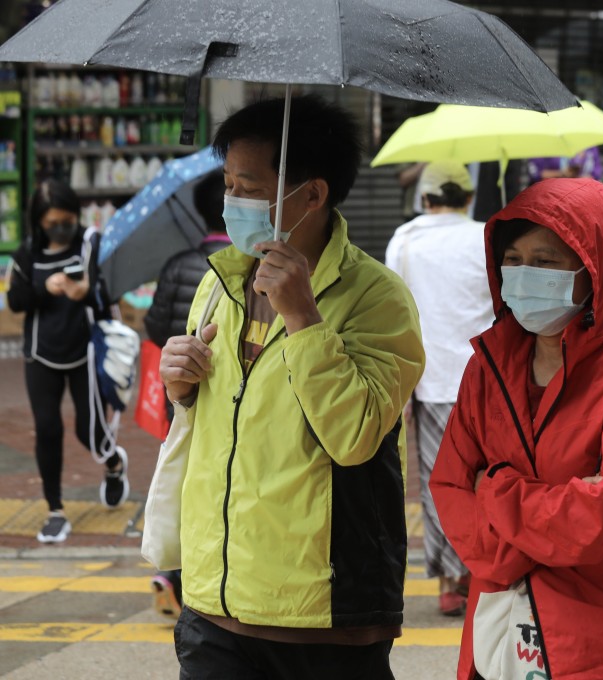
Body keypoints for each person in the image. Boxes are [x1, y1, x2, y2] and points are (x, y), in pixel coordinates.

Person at [159, 95, 425, 678]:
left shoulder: (378, 299)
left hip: (323, 614)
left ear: (312, 195)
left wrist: (304, 318)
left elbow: (354, 436)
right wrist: (178, 385)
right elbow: (219, 417)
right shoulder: (222, 281)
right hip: (215, 602)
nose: (232, 203)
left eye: (249, 188)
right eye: (228, 184)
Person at [431, 178, 603, 679]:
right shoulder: (487, 367)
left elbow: (598, 521)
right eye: (514, 259)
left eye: (545, 261)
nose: (523, 275)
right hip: (499, 626)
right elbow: (450, 487)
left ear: (592, 270)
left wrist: (496, 489)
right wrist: (549, 516)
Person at [384, 160, 492, 617]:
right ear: (468, 197)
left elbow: (392, 312)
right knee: (487, 477)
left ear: (424, 199)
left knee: (439, 480)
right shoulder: (487, 236)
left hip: (428, 380)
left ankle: (450, 580)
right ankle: (483, 567)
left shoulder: (404, 240)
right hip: (485, 380)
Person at [7, 179, 128, 544]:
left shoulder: (91, 244)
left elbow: (109, 292)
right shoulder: (27, 254)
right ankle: (55, 511)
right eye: (53, 222)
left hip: (85, 351)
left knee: (88, 430)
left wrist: (85, 291)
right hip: (41, 353)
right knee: (47, 428)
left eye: (67, 219)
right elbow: (16, 300)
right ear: (39, 222)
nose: (62, 227)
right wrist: (47, 288)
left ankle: (113, 463)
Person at [142, 170, 229, 621]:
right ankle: (187, 571)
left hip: (179, 391)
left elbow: (157, 325)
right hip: (221, 397)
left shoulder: (178, 264)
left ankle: (171, 569)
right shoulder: (250, 267)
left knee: (177, 469)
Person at [526, 147, 603, 186]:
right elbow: (537, 174)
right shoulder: (545, 147)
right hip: (551, 191)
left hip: (582, 190)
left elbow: (597, 174)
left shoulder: (591, 147)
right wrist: (562, 173)